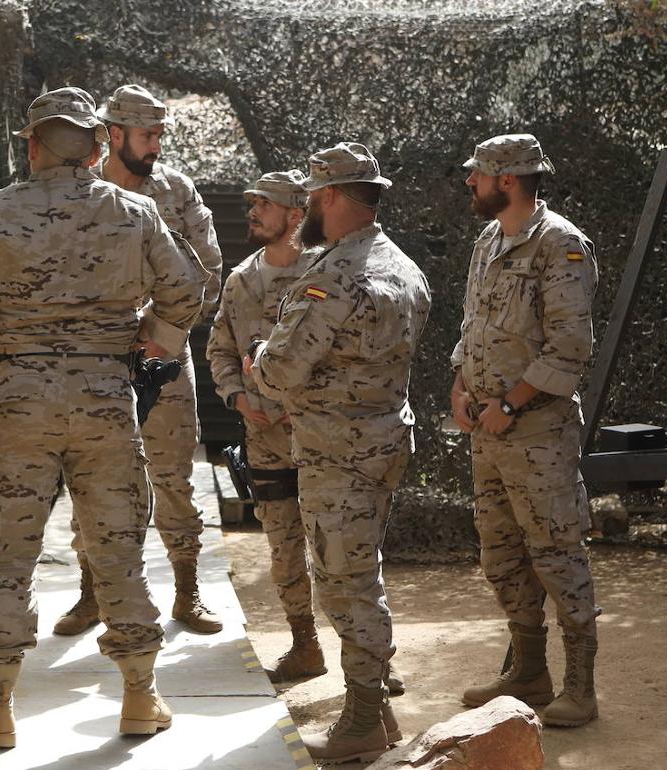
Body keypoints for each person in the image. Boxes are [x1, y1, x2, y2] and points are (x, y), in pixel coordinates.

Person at [0, 87, 206, 748]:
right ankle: (140, 697)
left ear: (31, 145)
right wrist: (156, 337)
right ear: (99, 147)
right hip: (106, 396)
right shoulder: (136, 211)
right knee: (119, 550)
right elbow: (188, 287)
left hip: (18, 395)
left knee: (7, 556)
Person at [244, 142, 430, 764]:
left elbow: (281, 371)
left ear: (328, 197)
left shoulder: (333, 276)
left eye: (311, 198)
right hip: (384, 438)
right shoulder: (404, 266)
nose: (306, 211)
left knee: (345, 584)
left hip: (338, 453)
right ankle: (378, 711)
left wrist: (258, 360)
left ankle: (362, 721)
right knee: (361, 571)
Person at [54, 83, 225, 637]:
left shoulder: (176, 191)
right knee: (90, 476)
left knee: (174, 475)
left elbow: (208, 272)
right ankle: (90, 592)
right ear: (114, 134)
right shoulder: (79, 190)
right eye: (147, 135)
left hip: (163, 358)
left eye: (159, 135)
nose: (156, 146)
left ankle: (187, 590)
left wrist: (162, 332)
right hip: (95, 361)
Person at [450, 133, 600, 728]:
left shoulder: (561, 245)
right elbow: (473, 325)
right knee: (502, 554)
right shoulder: (489, 240)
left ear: (507, 180)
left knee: (557, 553)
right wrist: (460, 386)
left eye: (478, 174)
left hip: (538, 433)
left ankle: (581, 688)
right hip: (488, 432)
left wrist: (510, 405)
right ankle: (529, 673)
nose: (470, 182)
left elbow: (571, 345)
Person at [206, 170, 323, 682]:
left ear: (296, 215)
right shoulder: (241, 281)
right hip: (266, 441)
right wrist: (236, 396)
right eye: (252, 203)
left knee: (344, 548)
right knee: (283, 547)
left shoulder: (326, 273)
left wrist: (312, 403)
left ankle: (370, 662)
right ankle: (305, 644)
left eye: (265, 204)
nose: (252, 212)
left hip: (324, 438)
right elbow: (219, 350)